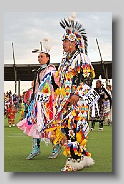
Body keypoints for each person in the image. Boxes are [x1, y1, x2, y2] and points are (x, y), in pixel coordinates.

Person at [45, 13, 95, 171]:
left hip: (77, 102)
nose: (63, 44)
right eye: (63, 41)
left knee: (74, 129)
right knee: (67, 130)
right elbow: (61, 81)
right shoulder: (65, 61)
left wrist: (76, 94)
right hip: (65, 102)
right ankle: (84, 157)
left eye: (66, 41)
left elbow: (88, 79)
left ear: (74, 42)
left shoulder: (82, 58)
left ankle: (75, 160)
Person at [17, 50, 61, 160]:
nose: (39, 58)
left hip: (48, 103)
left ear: (47, 58)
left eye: (41, 56)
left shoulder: (51, 70)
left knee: (49, 124)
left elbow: (58, 81)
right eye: (38, 57)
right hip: (37, 102)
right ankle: (36, 148)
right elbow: (36, 86)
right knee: (35, 123)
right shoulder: (38, 71)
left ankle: (56, 146)